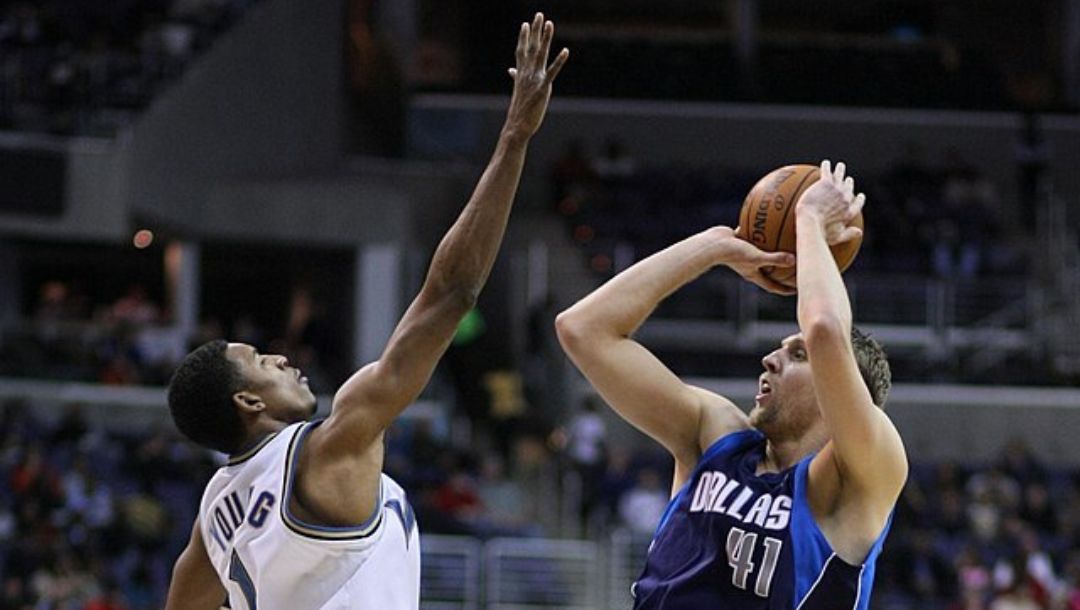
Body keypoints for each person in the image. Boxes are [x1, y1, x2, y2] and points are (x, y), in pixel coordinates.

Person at [162, 14, 568, 610]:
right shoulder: (333, 445)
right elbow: (451, 293)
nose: (280, 357)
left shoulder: (218, 510)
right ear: (247, 402)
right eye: (261, 361)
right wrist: (514, 139)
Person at [556, 161, 907, 609]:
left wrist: (809, 222)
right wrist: (714, 246)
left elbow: (824, 331)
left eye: (796, 355)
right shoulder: (716, 437)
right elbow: (583, 329)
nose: (769, 359)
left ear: (846, 388)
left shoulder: (862, 477)